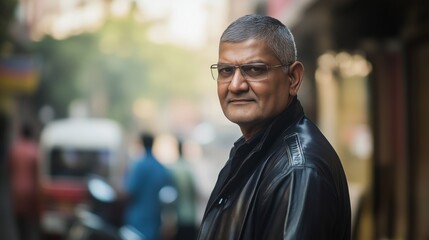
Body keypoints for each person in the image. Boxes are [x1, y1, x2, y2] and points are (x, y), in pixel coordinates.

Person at [197, 14, 351, 240]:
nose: (236, 85)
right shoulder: (252, 151)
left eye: (255, 69)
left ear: (293, 78)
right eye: (226, 71)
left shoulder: (298, 170)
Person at [123, 132, 175, 240]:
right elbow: (169, 198)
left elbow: (129, 191)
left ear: (141, 144)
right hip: (155, 221)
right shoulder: (161, 168)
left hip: (137, 220)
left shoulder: (138, 166)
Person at [8, 123, 41, 240]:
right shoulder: (34, 150)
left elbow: (10, 169)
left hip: (16, 190)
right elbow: (38, 172)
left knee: (19, 221)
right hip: (31, 191)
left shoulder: (15, 149)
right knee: (31, 222)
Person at [168, 138, 198, 240]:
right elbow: (195, 191)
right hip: (189, 215)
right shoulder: (188, 168)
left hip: (177, 217)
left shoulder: (173, 168)